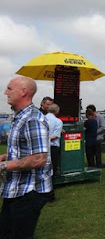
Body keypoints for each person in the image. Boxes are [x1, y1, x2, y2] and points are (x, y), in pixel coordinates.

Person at [0, 77, 52, 238]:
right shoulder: (20, 117)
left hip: (29, 192)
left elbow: (39, 159)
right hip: (16, 189)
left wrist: (3, 166)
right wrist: (5, 157)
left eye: (9, 89)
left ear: (23, 92)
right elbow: (24, 150)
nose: (5, 93)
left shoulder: (33, 119)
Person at [45, 103, 63, 201]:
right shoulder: (58, 121)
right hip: (53, 148)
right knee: (52, 170)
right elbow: (54, 136)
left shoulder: (42, 118)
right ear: (57, 111)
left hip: (42, 147)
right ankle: (50, 195)